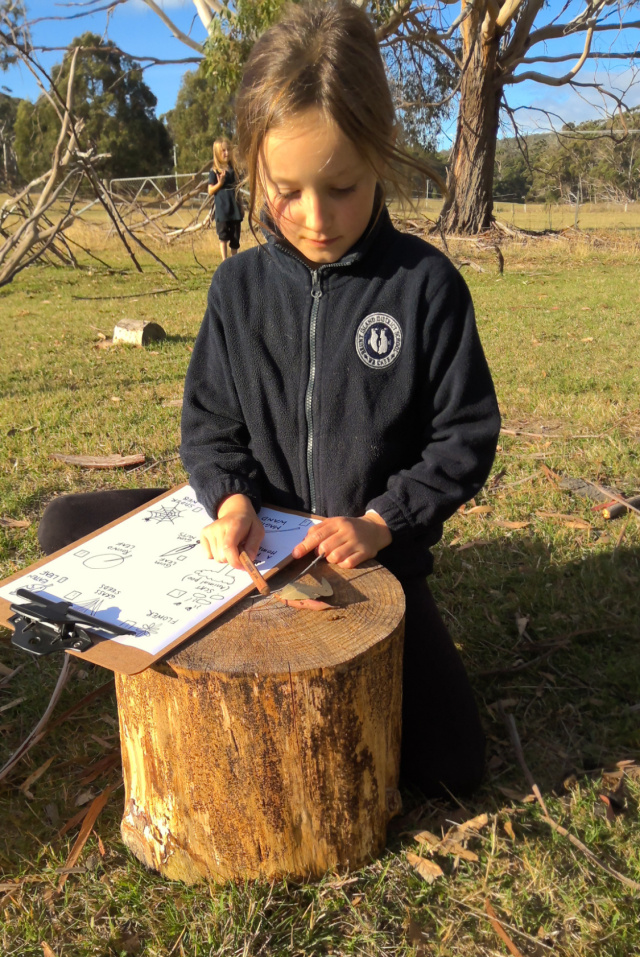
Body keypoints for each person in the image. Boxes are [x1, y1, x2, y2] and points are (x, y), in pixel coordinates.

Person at [38, 0, 500, 800]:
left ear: (380, 158)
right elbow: (212, 425)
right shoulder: (237, 287)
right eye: (287, 191)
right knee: (64, 527)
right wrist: (230, 501)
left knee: (452, 767)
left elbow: (463, 436)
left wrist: (384, 522)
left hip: (364, 567)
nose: (316, 219)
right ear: (250, 168)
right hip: (255, 542)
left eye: (344, 187)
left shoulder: (424, 288)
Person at [208, 137, 244, 260]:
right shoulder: (214, 171)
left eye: (228, 150)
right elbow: (210, 191)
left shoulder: (234, 170)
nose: (227, 153)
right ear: (217, 152)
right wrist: (220, 183)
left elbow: (238, 190)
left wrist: (242, 207)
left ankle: (234, 262)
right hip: (222, 212)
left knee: (235, 239)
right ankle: (225, 262)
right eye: (223, 150)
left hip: (235, 210)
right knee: (223, 238)